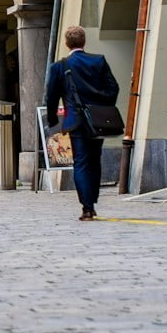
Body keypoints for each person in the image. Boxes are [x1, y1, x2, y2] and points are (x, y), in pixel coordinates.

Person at [43, 25, 120, 221]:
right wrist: (102, 105)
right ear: (84, 41)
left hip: (75, 121)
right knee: (95, 160)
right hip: (98, 120)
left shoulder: (59, 66)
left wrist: (52, 119)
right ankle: (91, 200)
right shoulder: (98, 61)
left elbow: (51, 97)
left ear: (67, 43)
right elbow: (113, 88)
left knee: (82, 163)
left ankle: (86, 206)